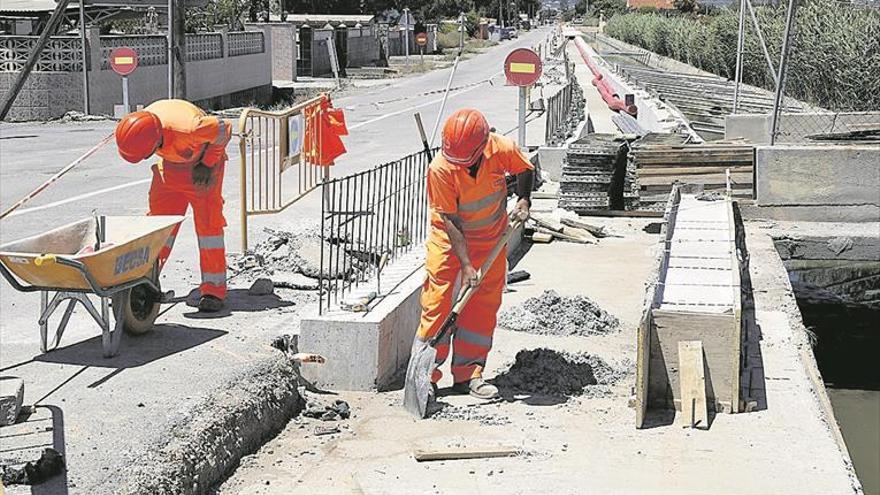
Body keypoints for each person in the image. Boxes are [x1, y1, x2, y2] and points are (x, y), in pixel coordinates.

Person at [415, 108, 534, 400]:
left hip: (491, 239)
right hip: (449, 239)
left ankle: (469, 373)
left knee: (482, 306)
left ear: (482, 147)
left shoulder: (500, 148)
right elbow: (451, 220)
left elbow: (525, 169)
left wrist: (524, 199)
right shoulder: (441, 168)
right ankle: (425, 376)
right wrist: (466, 265)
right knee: (438, 303)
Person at [114, 99, 232, 313]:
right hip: (170, 167)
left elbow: (224, 130)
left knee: (209, 230)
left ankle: (213, 290)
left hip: (202, 170)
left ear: (155, 141)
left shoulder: (191, 128)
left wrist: (207, 163)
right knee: (158, 227)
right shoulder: (140, 123)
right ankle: (146, 279)